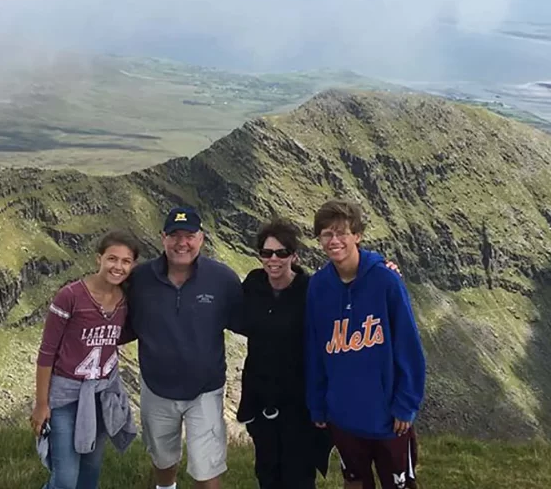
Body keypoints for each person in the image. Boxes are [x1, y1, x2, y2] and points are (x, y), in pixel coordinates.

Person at [305, 199, 426, 489]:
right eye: (326, 234)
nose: (334, 241)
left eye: (341, 233)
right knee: (355, 482)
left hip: (386, 417)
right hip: (343, 415)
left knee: (399, 484)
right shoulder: (318, 287)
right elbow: (315, 350)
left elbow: (408, 346)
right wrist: (318, 403)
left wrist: (405, 405)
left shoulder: (385, 280)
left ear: (357, 235)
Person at [124, 206, 243, 489]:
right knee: (163, 460)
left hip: (205, 389)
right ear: (162, 237)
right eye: (174, 235)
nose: (182, 243)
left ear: (201, 238)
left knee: (207, 468)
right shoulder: (140, 279)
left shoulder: (222, 279)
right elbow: (120, 320)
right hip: (156, 388)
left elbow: (248, 323)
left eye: (189, 235)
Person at [31, 229, 139, 489]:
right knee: (66, 479)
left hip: (101, 396)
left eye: (126, 261)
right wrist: (42, 404)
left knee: (90, 474)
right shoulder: (70, 296)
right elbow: (47, 352)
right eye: (112, 259)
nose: (118, 267)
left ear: (133, 265)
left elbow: (117, 335)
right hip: (66, 396)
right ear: (98, 259)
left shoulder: (125, 300)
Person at [236, 217, 333, 489]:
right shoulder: (253, 284)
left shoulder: (310, 289)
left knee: (298, 476)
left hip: (299, 404)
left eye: (281, 253)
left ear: (294, 256)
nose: (273, 259)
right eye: (266, 253)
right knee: (267, 473)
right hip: (261, 399)